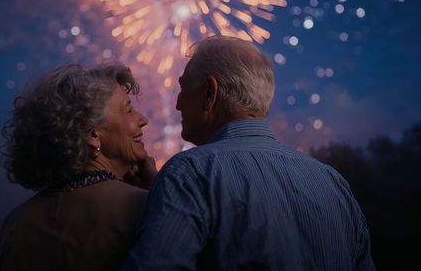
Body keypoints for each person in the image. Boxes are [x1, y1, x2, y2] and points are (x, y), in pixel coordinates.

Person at [123, 36, 375, 270]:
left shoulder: (190, 173)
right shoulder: (333, 183)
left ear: (211, 93)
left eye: (183, 87)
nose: (177, 103)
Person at [0, 63, 156, 271]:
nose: (143, 120)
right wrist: (160, 194)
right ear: (93, 135)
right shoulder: (145, 208)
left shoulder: (15, 224)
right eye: (129, 110)